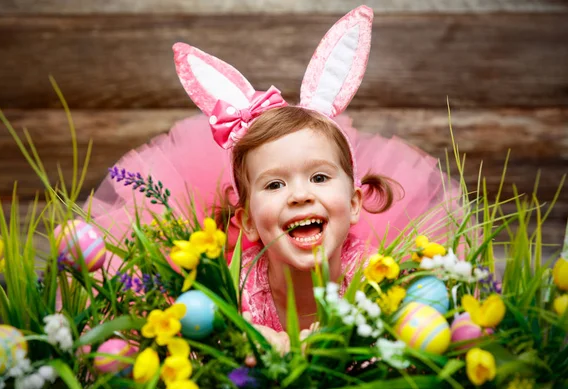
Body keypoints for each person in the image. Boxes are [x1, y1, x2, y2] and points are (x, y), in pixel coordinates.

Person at [88, 6, 459, 337]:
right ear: (247, 221)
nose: (300, 195)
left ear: (355, 201)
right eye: (276, 184)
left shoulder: (377, 282)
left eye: (319, 177)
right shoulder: (234, 290)